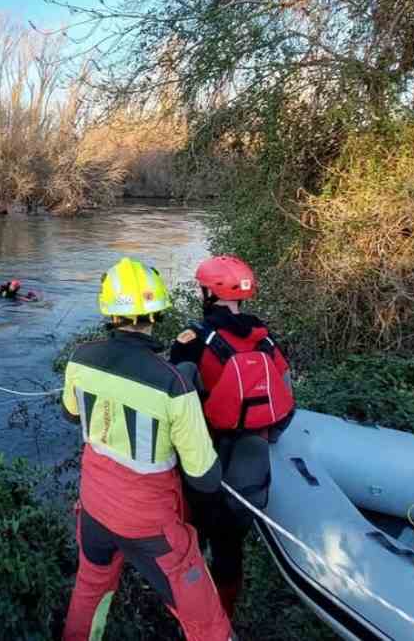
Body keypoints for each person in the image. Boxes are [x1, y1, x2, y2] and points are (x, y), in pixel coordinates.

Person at [61, 257, 235, 641]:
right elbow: (205, 478)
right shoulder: (173, 383)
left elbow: (72, 414)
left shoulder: (79, 357)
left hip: (93, 510)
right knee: (206, 622)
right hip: (151, 526)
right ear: (155, 314)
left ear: (110, 311)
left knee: (89, 593)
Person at [170, 255, 294, 619]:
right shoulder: (266, 340)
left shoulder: (192, 340)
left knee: (193, 540)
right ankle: (225, 617)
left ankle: (191, 616)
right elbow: (285, 401)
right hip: (251, 464)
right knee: (230, 551)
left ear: (208, 292)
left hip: (204, 461)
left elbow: (174, 399)